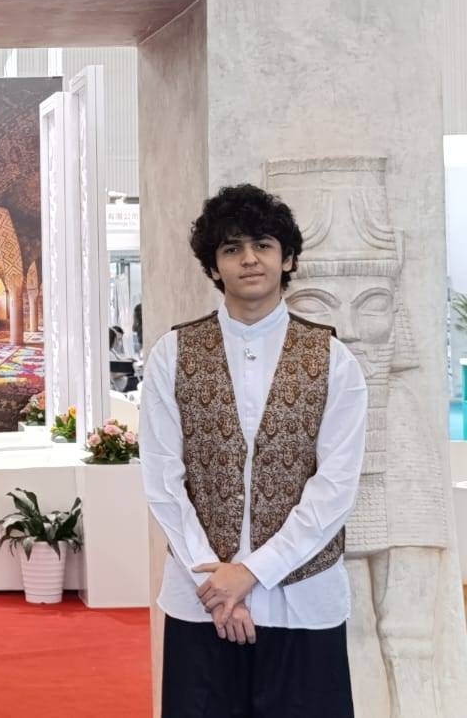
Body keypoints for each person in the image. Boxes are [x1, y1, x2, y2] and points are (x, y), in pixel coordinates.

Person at [138, 184, 367, 717]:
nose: (249, 259)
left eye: (263, 245)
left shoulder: (334, 359)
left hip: (303, 599)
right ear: (214, 266)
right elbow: (163, 478)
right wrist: (216, 582)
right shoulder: (172, 355)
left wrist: (251, 572)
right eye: (232, 248)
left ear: (286, 259)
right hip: (201, 599)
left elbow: (335, 488)